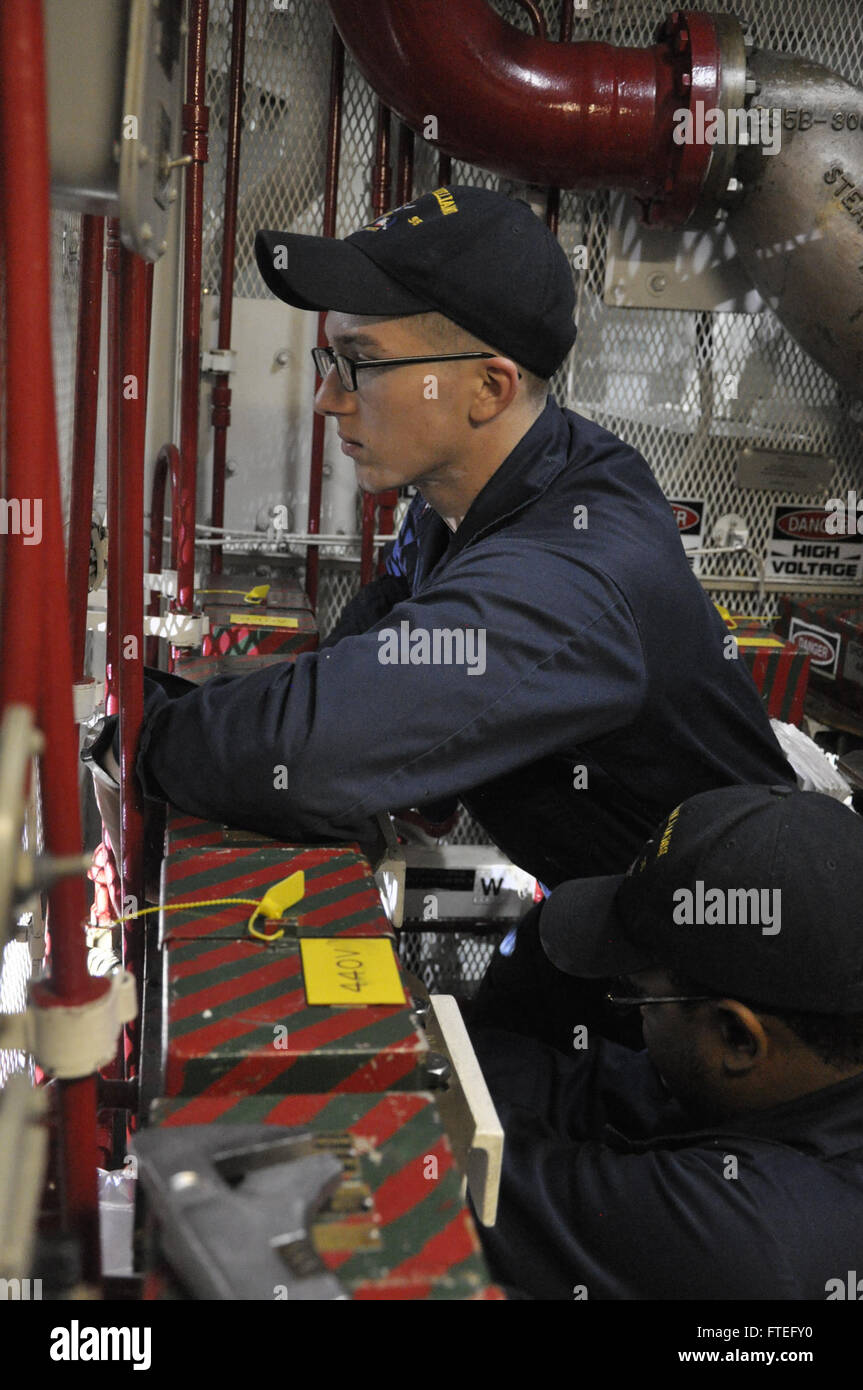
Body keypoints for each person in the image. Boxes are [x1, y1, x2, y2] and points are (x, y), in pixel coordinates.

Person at [86, 185, 792, 974]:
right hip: (611, 909)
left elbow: (307, 752)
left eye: (361, 365)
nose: (327, 398)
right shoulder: (496, 482)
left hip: (735, 993)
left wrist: (123, 738)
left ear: (488, 388)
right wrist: (361, 708)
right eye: (330, 360)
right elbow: (391, 606)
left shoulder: (569, 575)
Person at [470, 784, 863, 1300]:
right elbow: (603, 1092)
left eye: (636, 996)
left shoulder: (745, 1234)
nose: (633, 1023)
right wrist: (417, 1036)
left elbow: (463, 1180)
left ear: (738, 1038)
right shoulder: (805, 1074)